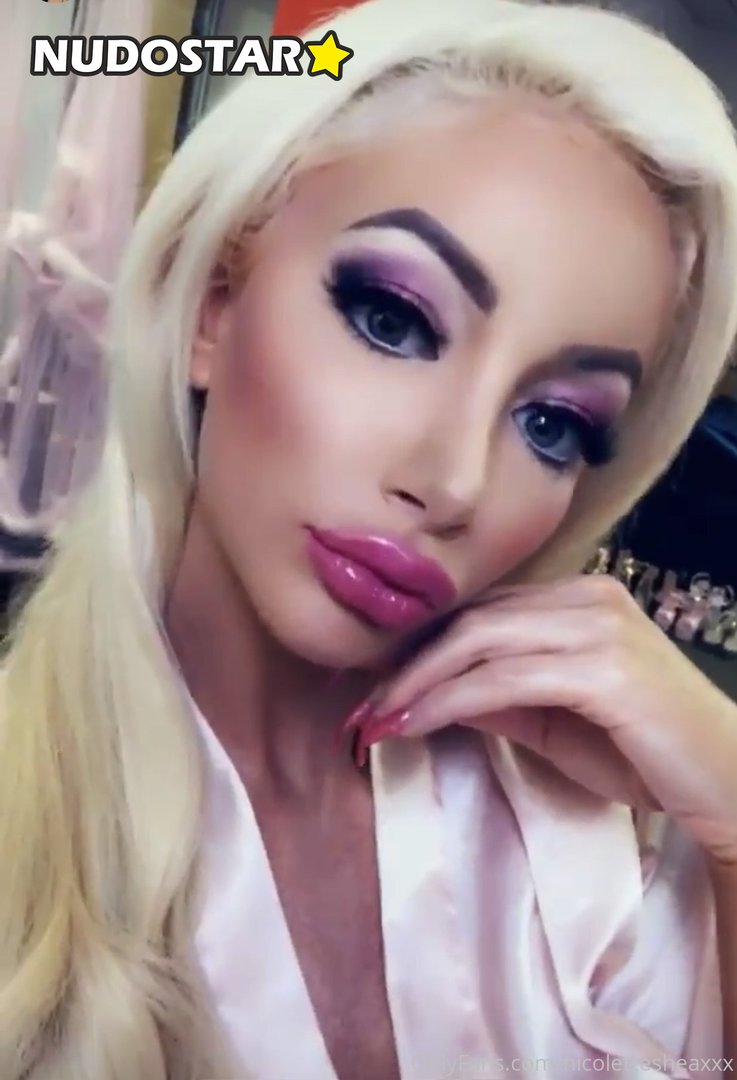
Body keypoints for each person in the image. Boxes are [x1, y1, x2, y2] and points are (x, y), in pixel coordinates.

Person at [1, 0, 736, 1077]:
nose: (454, 484)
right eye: (392, 319)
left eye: (552, 423)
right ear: (214, 304)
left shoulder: (596, 836)